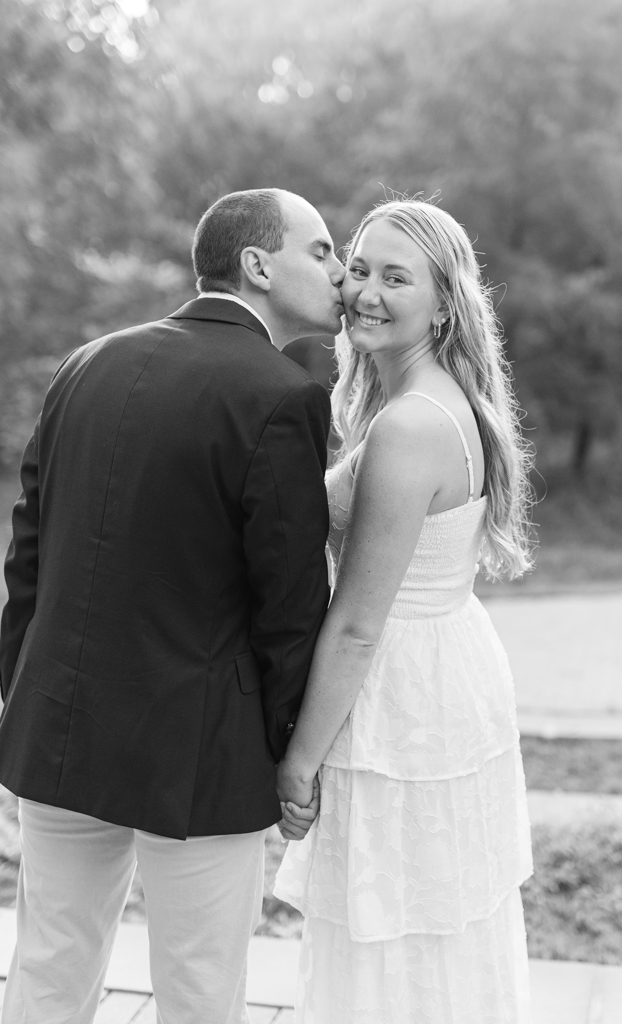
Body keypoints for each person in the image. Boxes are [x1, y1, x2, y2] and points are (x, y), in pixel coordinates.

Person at [0, 188, 342, 1024]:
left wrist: (26, 696)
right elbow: (290, 607)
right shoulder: (282, 395)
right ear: (257, 265)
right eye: (323, 250)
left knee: (48, 970)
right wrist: (294, 752)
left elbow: (27, 561)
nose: (341, 273)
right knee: (198, 990)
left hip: (61, 729)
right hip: (199, 756)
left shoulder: (86, 363)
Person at [274, 198, 535, 1023]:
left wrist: (298, 762)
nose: (366, 292)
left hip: (400, 690)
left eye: (397, 277)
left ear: (445, 302)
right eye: (357, 269)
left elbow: (355, 625)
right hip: (441, 663)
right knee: (421, 923)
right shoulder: (412, 402)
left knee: (392, 930)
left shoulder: (411, 426)